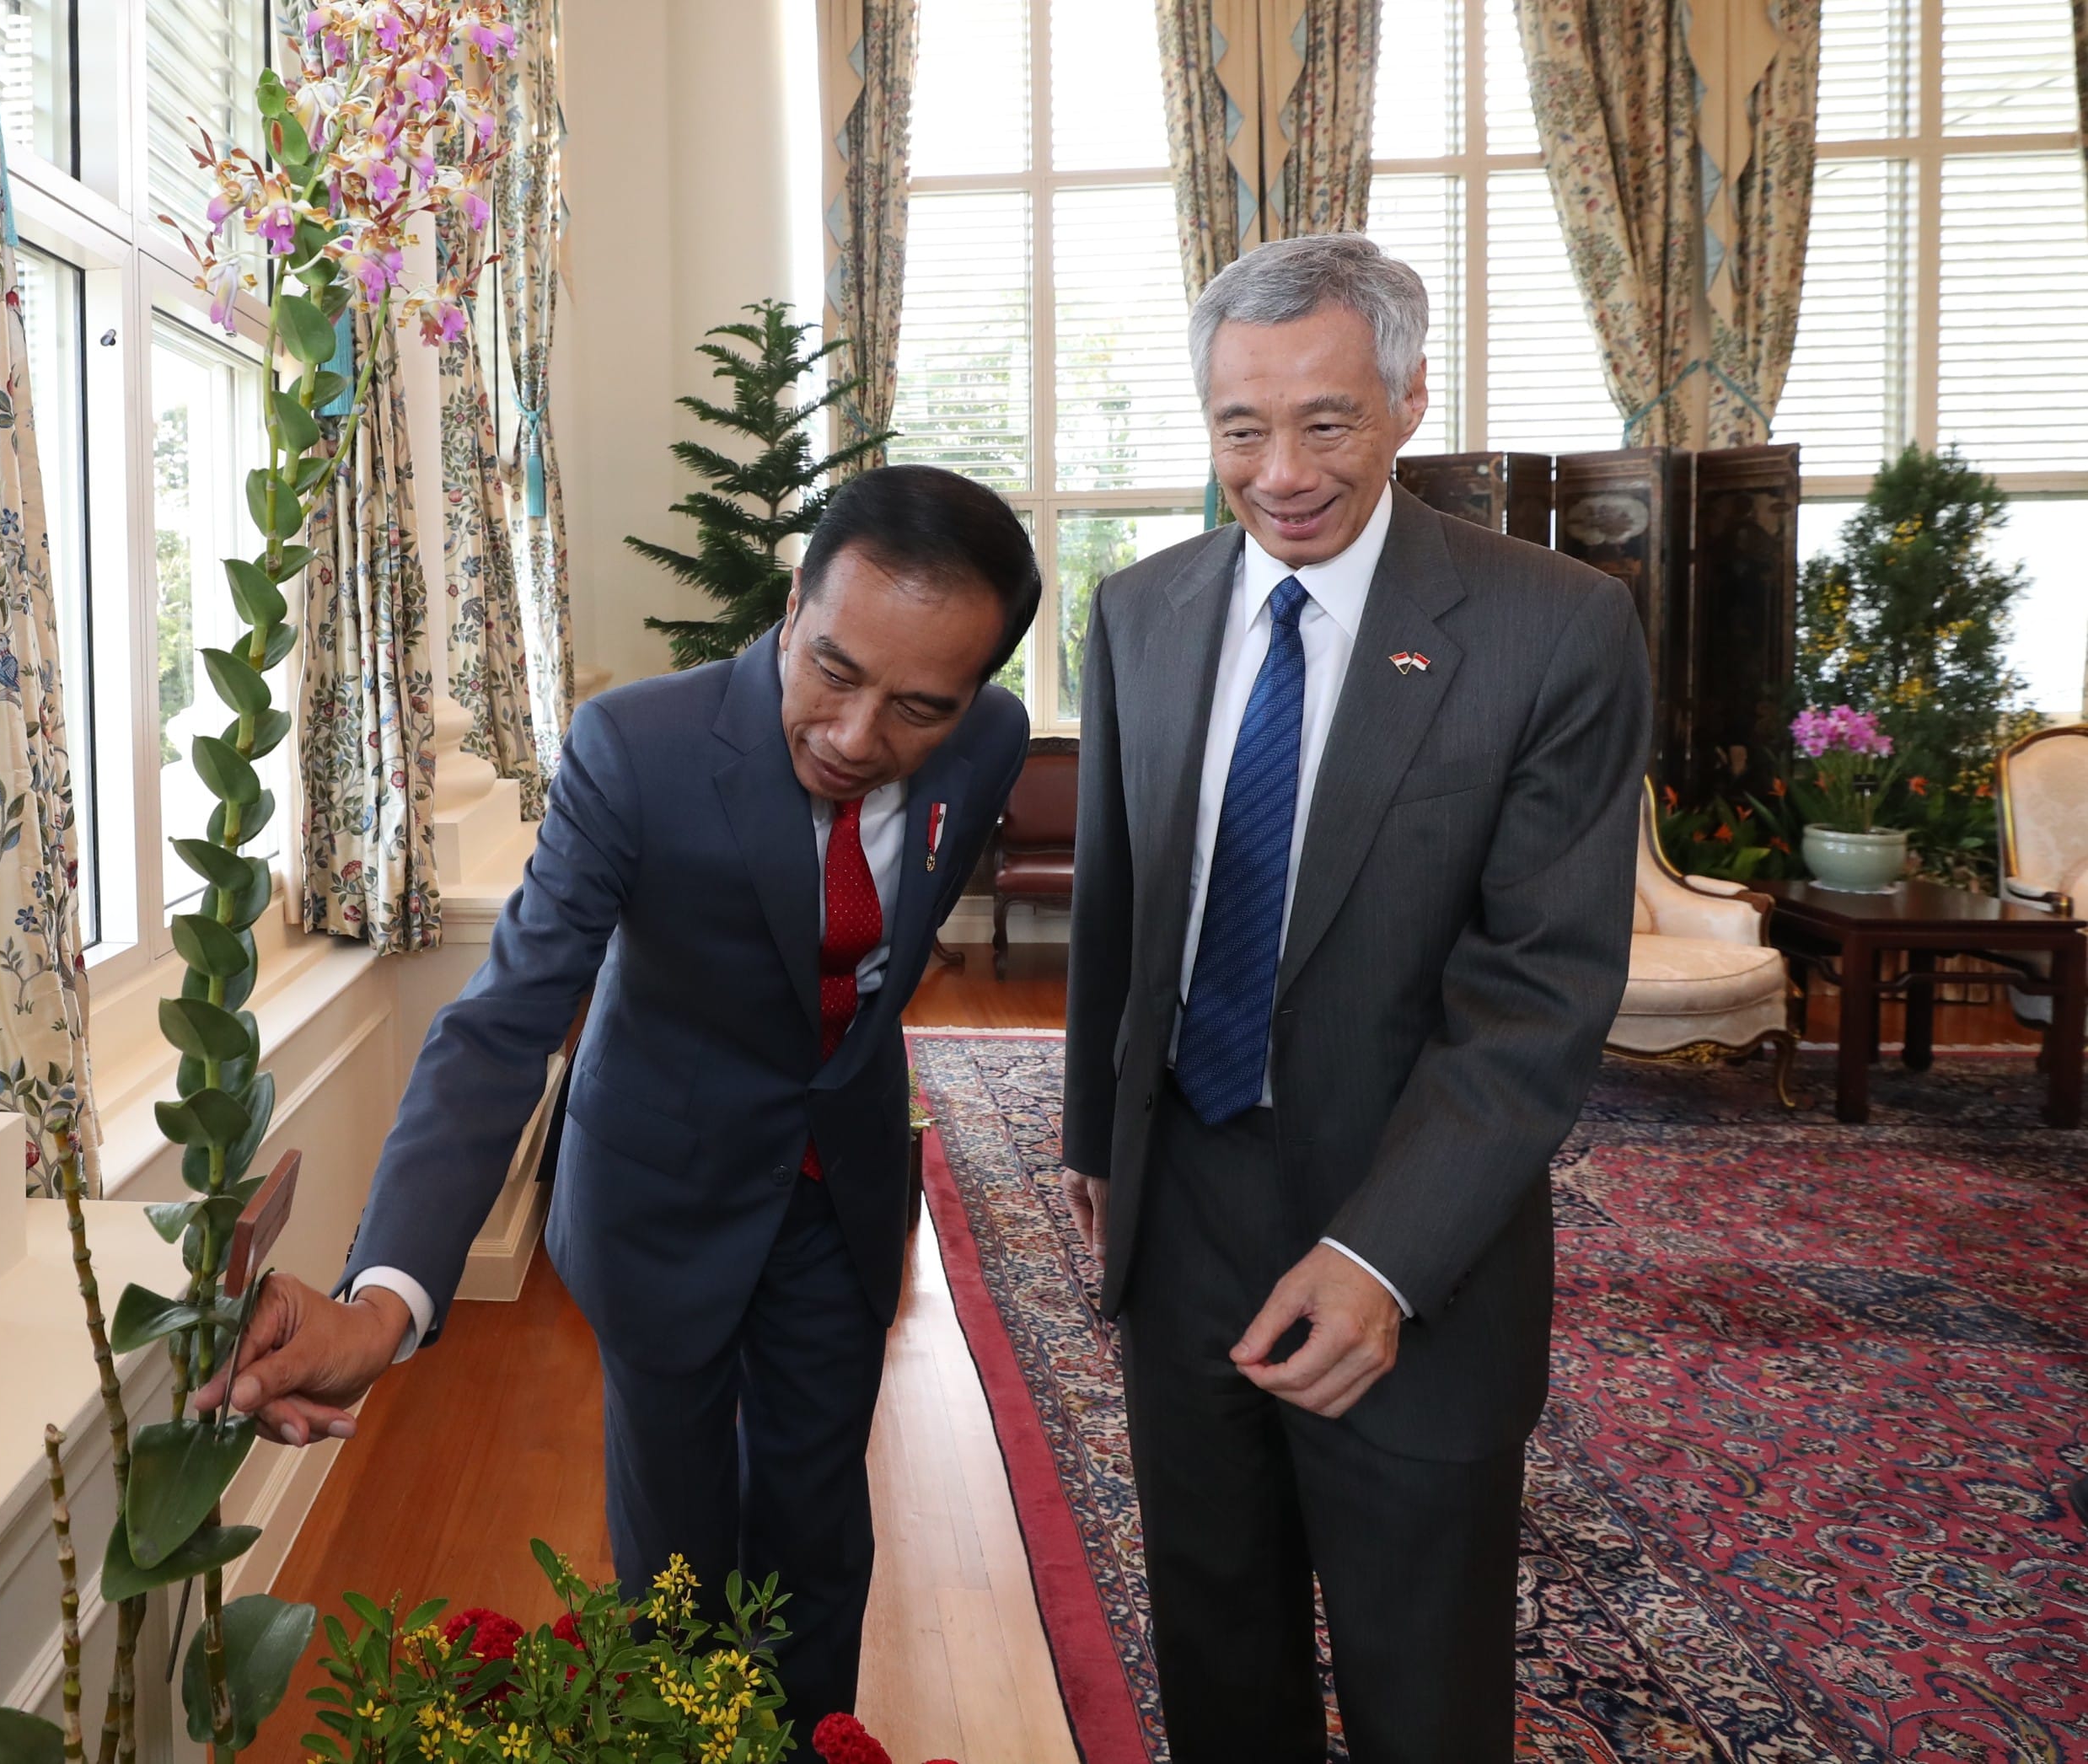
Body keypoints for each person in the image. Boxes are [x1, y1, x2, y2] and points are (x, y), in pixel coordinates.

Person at [196, 464, 1037, 1735]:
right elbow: (503, 1025)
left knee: (818, 1527)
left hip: (842, 1189)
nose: (860, 736)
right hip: (660, 1195)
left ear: (971, 694)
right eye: (832, 671)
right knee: (680, 1554)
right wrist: (385, 1299)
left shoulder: (991, 742)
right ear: (794, 601)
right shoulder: (638, 751)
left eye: (918, 705)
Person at [1060, 233, 1651, 1760]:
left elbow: (1538, 993)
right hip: (1183, 1208)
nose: (1281, 471)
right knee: (1219, 1646)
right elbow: (1119, 925)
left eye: (1325, 421)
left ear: (1407, 400)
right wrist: (1094, 1146)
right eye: (1240, 427)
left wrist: (1380, 1260)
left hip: (1414, 1246)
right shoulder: (1136, 613)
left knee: (1419, 1684)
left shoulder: (1553, 627)